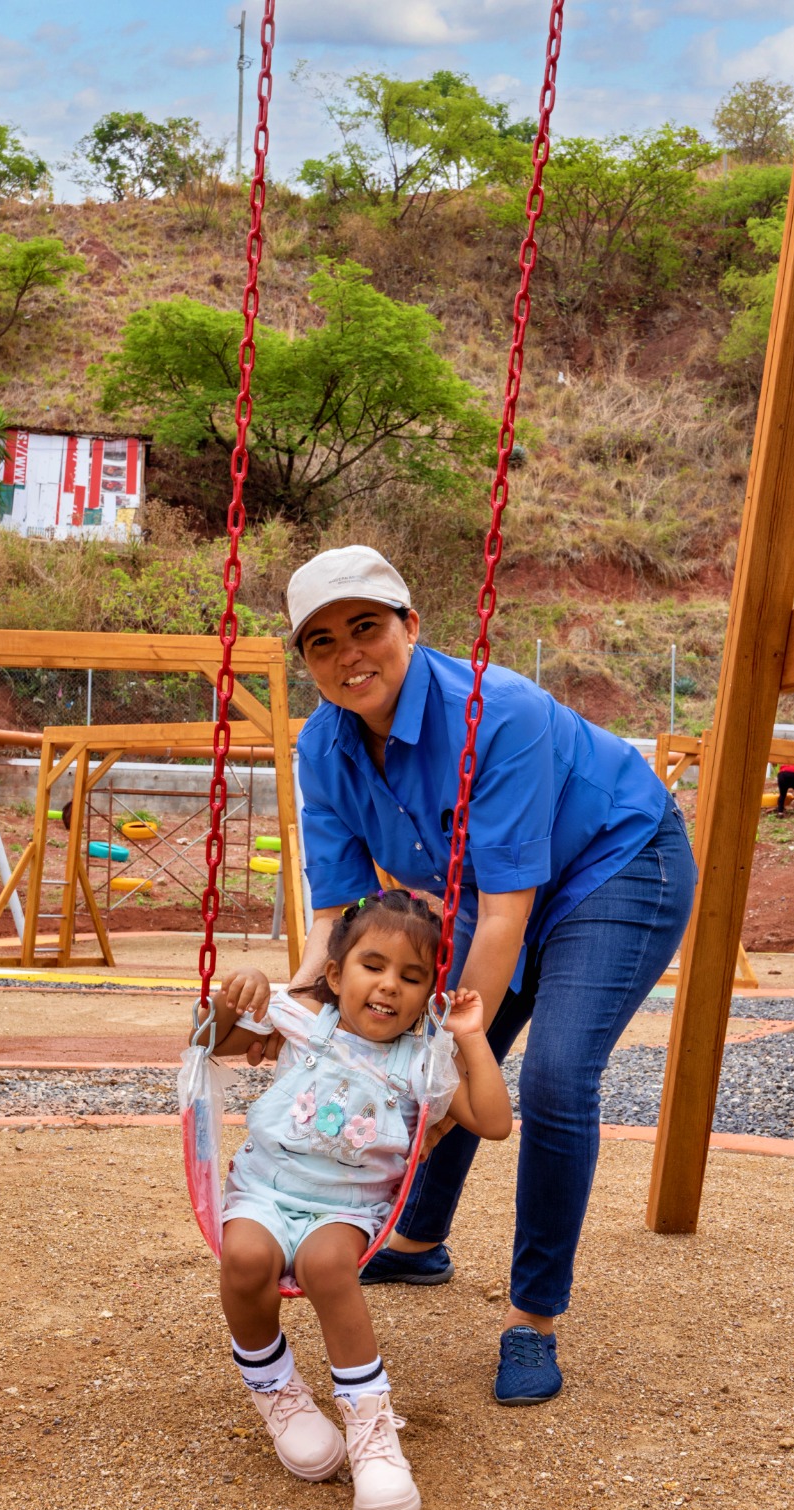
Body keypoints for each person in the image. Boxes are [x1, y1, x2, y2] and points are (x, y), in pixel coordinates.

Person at [266, 544, 698, 1408]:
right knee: (422, 1043)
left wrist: (448, 1043)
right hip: (488, 895)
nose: (349, 655)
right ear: (306, 661)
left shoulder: (498, 713)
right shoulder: (323, 746)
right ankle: (420, 1241)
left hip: (617, 862)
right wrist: (302, 1001)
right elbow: (338, 920)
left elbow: (506, 915)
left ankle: (533, 1318)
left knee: (545, 1069)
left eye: (366, 628)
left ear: (410, 626)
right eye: (322, 643)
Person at [211, 888, 511, 1510]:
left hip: (345, 1211)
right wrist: (238, 992)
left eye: (412, 976)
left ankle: (371, 1434)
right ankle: (279, 1392)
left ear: (429, 993)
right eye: (372, 966)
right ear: (334, 974)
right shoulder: (299, 1019)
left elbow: (492, 1121)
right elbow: (212, 1043)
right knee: (242, 1258)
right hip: (264, 1190)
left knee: (326, 1266)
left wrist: (470, 1037)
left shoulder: (421, 1061)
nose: (389, 987)